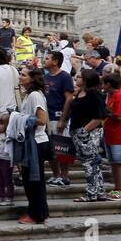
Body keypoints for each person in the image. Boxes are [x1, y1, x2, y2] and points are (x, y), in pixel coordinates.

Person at [15, 66, 51, 223]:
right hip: (31, 142)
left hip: (36, 142)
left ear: (32, 78)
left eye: (23, 75)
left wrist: (20, 119)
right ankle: (39, 211)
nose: (20, 77)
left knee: (33, 180)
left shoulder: (35, 95)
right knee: (31, 180)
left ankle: (36, 214)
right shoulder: (30, 95)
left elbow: (42, 119)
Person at [68, 69, 110, 203]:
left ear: (86, 80)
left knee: (89, 163)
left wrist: (84, 131)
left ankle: (91, 193)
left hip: (88, 133)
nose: (76, 78)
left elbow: (100, 116)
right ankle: (99, 191)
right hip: (78, 131)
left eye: (79, 77)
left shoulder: (93, 95)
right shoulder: (80, 92)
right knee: (93, 163)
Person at [42, 50, 74, 186]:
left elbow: (69, 99)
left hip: (58, 116)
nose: (44, 60)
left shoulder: (65, 77)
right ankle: (55, 174)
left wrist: (63, 119)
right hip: (47, 117)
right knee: (50, 148)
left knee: (62, 147)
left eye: (47, 58)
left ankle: (64, 175)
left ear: (55, 61)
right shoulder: (46, 77)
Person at [0, 113, 15, 207]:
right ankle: (0, 197)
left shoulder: (8, 135)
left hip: (7, 160)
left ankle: (9, 197)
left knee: (7, 179)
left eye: (1, 123)